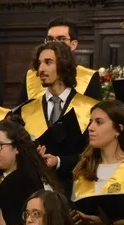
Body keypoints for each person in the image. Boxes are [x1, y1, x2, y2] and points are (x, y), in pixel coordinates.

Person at [18, 42, 97, 188]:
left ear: (63, 66)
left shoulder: (89, 107)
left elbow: (94, 154)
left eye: (48, 62)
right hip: (36, 187)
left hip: (76, 185)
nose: (41, 69)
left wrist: (59, 161)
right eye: (39, 63)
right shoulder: (27, 109)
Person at [17, 18, 102, 103]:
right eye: (50, 39)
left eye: (61, 39)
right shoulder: (31, 77)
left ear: (73, 45)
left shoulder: (88, 77)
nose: (54, 44)